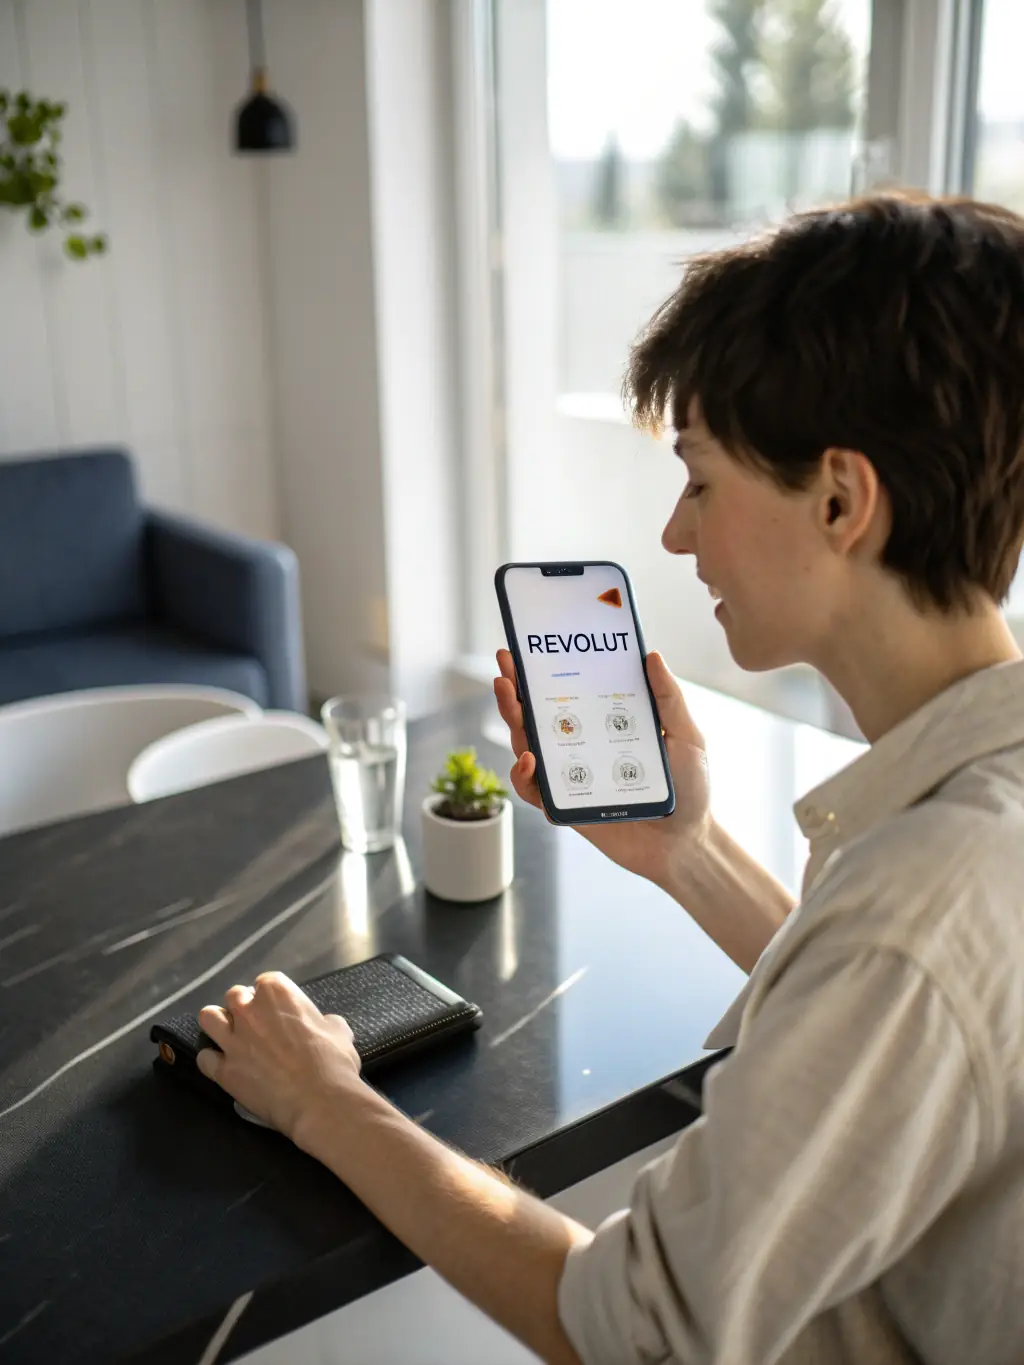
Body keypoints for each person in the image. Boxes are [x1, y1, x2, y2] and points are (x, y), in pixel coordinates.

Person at [196, 193, 1024, 1365]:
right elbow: (893, 1029)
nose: (678, 538)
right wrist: (686, 852)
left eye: (699, 480)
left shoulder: (918, 901)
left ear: (840, 499)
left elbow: (630, 1329)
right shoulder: (972, 816)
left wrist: (323, 1100)